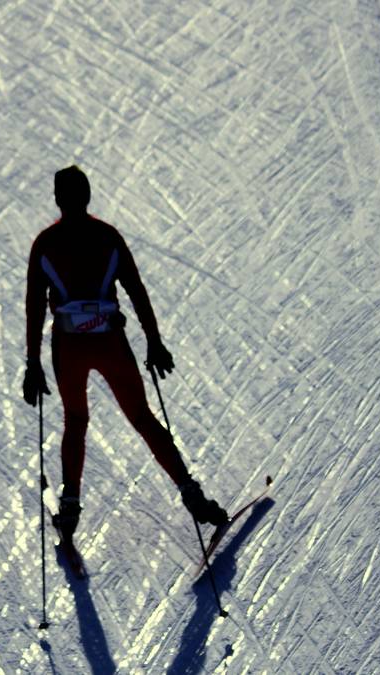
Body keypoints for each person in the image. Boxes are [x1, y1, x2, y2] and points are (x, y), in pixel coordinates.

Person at [22, 165, 228, 543]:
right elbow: (136, 290)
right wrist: (153, 341)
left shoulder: (45, 244)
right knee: (142, 418)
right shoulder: (108, 237)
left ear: (57, 199)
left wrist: (32, 363)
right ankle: (190, 492)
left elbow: (35, 307)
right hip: (109, 342)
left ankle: (70, 504)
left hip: (69, 348)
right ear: (88, 196)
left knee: (76, 421)